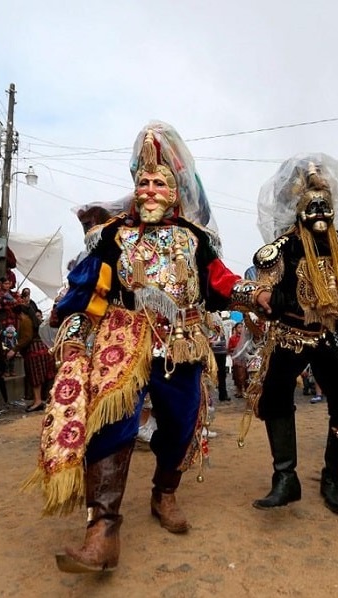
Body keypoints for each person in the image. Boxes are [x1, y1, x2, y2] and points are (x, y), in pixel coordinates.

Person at [24, 121, 268, 574]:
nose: (151, 190)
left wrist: (257, 295)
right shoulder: (113, 236)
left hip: (182, 343)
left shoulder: (195, 239)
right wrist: (75, 333)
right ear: (134, 189)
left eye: (160, 183)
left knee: (178, 426)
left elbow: (220, 282)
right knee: (112, 425)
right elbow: (85, 289)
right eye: (144, 182)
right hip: (124, 338)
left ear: (175, 193)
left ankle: (164, 491)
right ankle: (103, 529)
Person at [244, 153, 338, 515]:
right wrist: (263, 297)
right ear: (297, 209)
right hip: (289, 334)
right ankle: (285, 478)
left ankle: (332, 476)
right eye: (310, 206)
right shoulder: (281, 248)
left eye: (324, 206)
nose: (319, 212)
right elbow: (260, 291)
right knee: (275, 399)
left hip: (333, 335)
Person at [12, 304, 54, 412]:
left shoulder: (26, 321)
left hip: (34, 351)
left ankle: (38, 400)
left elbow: (26, 338)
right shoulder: (35, 321)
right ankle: (40, 400)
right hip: (42, 349)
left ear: (21, 314)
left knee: (35, 378)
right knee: (41, 377)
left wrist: (15, 349)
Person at [209, 312, 230, 402]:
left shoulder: (222, 329)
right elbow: (209, 342)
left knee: (222, 374)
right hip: (213, 352)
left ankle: (223, 394)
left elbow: (223, 341)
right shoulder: (209, 329)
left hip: (221, 352)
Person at [227, 322, 247, 398]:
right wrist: (236, 350)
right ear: (235, 329)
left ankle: (243, 390)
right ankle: (239, 390)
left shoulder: (246, 337)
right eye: (239, 327)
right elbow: (229, 349)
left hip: (245, 358)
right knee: (238, 374)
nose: (240, 329)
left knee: (245, 374)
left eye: (242, 327)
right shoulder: (232, 338)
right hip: (236, 359)